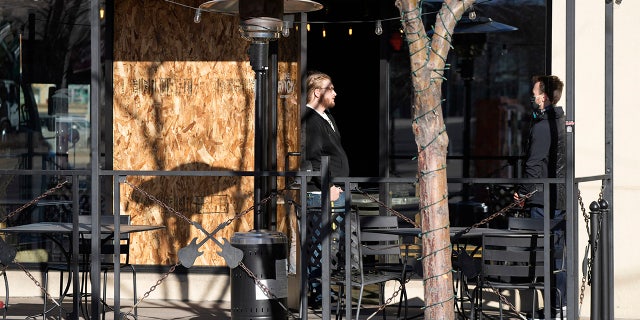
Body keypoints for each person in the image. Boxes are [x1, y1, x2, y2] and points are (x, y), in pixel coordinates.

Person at [513, 75, 567, 319]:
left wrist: (522, 193)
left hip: (544, 201)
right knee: (557, 256)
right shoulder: (561, 123)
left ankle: (555, 310)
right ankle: (559, 308)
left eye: (534, 93)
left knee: (547, 256)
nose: (532, 97)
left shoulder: (544, 126)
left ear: (543, 97)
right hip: (558, 199)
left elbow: (533, 165)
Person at [301, 71, 350, 308]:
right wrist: (328, 186)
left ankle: (324, 295)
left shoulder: (326, 116)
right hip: (322, 194)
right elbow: (315, 158)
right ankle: (320, 297)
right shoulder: (310, 119)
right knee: (320, 246)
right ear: (317, 92)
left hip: (334, 192)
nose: (335, 93)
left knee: (330, 244)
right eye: (330, 89)